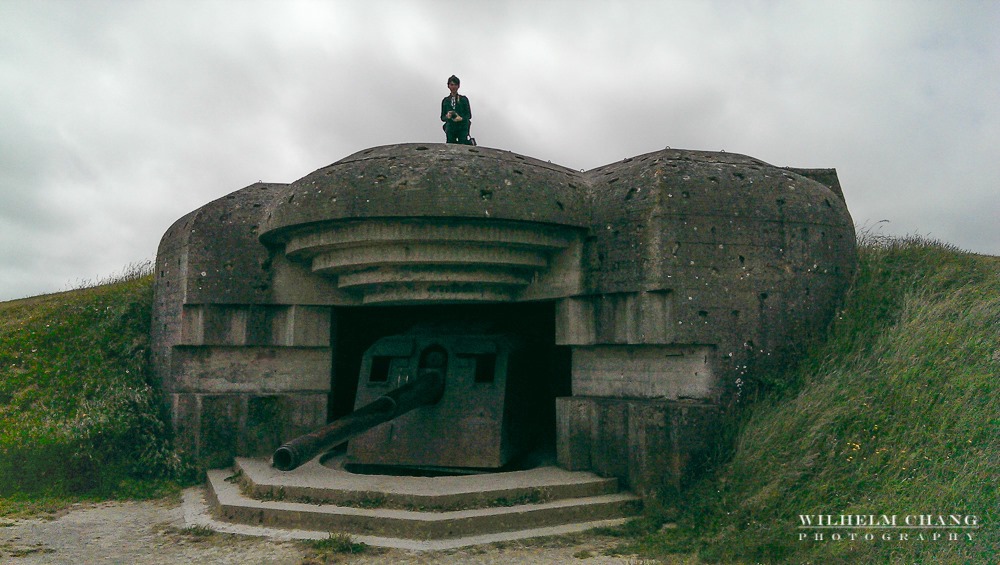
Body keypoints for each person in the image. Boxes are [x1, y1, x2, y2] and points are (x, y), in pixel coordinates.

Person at [441, 75, 473, 144]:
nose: (453, 87)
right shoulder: (446, 101)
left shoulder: (463, 99)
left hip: (462, 126)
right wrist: (447, 116)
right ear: (448, 86)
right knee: (450, 144)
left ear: (458, 86)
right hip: (451, 127)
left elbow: (469, 115)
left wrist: (461, 118)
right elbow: (442, 117)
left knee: (463, 144)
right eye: (451, 85)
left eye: (455, 85)